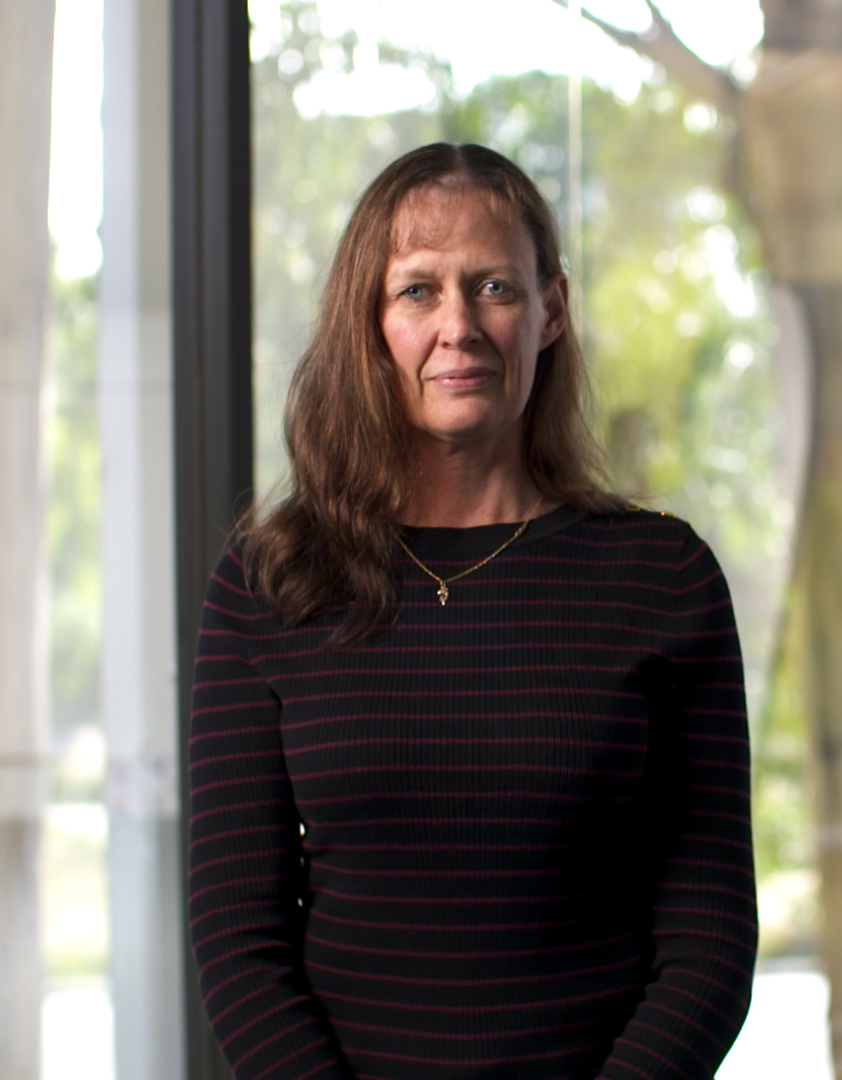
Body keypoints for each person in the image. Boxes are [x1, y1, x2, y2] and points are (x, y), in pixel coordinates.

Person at [188, 142, 757, 1080]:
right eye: (416, 291)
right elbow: (238, 946)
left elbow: (710, 946)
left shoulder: (662, 578)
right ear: (370, 324)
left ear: (550, 311)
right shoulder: (270, 579)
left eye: (493, 285)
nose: (457, 325)